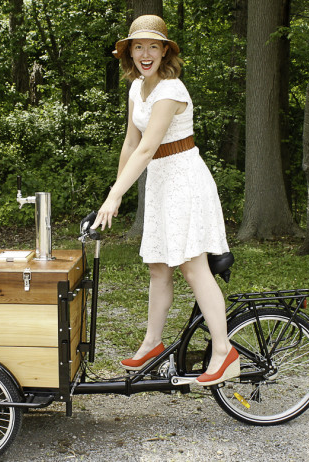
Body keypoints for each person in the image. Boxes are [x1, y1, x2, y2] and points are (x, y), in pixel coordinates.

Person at [92, 15, 239, 386]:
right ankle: (152, 343)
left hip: (184, 180)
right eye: (137, 47)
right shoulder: (137, 89)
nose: (145, 54)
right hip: (160, 182)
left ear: (164, 52)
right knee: (158, 266)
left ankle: (224, 351)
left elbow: (146, 149)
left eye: (152, 47)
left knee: (192, 266)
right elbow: (129, 144)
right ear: (129, 53)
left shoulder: (170, 90)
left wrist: (115, 195)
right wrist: (116, 192)